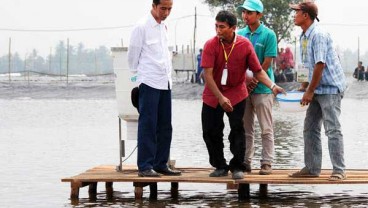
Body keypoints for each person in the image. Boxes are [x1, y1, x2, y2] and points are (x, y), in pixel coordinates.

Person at [200, 10, 284, 179]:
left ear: (233, 28)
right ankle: (220, 165)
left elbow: (258, 71)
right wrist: (220, 98)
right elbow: (207, 75)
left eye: (222, 27)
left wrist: (273, 86)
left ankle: (238, 166)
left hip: (237, 93)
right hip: (213, 93)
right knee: (210, 131)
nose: (218, 30)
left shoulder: (244, 45)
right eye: (216, 26)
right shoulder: (210, 45)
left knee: (238, 130)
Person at [288, 1, 347, 181]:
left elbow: (320, 65)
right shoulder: (304, 36)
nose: (294, 15)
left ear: (305, 15)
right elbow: (307, 64)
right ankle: (312, 168)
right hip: (316, 87)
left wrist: (309, 91)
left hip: (330, 87)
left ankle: (339, 170)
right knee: (310, 127)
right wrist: (303, 86)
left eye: (296, 12)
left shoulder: (318, 34)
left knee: (332, 128)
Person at [127, 0, 181, 177]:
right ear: (154, 6)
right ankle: (145, 166)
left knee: (165, 125)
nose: (166, 12)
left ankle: (160, 163)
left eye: (169, 9)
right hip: (149, 80)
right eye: (163, 8)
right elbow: (132, 57)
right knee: (148, 124)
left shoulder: (163, 27)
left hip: (165, 81)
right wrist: (141, 74)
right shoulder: (141, 27)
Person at [237, 0, 278, 175]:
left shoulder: (269, 35)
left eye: (250, 13)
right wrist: (246, 83)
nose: (245, 16)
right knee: (246, 128)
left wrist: (254, 81)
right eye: (244, 12)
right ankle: (246, 161)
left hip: (263, 89)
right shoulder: (239, 34)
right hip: (243, 90)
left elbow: (267, 63)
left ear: (259, 15)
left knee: (266, 128)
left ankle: (267, 162)